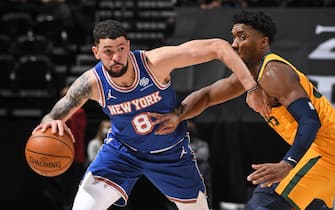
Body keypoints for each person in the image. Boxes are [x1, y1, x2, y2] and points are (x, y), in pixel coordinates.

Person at [32, 19, 269, 210]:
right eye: (108, 52)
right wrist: (50, 124)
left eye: (121, 49)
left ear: (129, 45)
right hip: (122, 153)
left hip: (170, 153)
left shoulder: (154, 63)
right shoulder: (91, 83)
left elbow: (218, 46)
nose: (116, 58)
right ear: (96, 52)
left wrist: (252, 87)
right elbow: (52, 116)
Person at [150, 11, 335, 210]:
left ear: (263, 42)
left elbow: (310, 121)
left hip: (325, 153)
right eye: (234, 37)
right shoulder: (247, 78)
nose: (234, 44)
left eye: (242, 37)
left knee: (264, 200)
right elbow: (207, 96)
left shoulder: (273, 72)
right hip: (319, 154)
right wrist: (177, 115)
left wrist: (288, 163)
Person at [43, 85, 88, 210]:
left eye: (66, 96)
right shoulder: (61, 114)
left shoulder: (78, 112)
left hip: (71, 157)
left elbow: (72, 136)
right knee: (55, 189)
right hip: (63, 156)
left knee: (69, 193)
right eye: (63, 97)